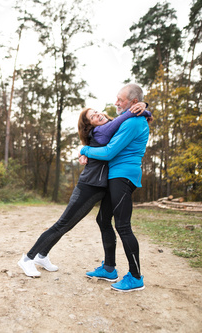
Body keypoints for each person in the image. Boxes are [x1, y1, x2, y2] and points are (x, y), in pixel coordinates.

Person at [17, 101, 151, 278]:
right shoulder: (101, 131)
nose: (98, 115)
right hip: (89, 186)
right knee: (63, 224)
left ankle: (42, 256)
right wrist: (140, 108)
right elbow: (121, 120)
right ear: (89, 125)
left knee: (68, 225)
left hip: (101, 186)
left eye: (97, 111)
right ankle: (27, 258)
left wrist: (144, 108)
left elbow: (121, 122)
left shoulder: (107, 128)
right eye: (92, 116)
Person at [80, 83, 150, 292]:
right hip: (115, 175)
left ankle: (136, 276)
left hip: (123, 175)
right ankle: (109, 268)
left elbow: (109, 152)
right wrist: (146, 108)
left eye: (120, 100)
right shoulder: (131, 118)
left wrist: (84, 149)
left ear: (133, 102)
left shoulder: (134, 123)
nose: (116, 103)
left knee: (123, 226)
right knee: (103, 219)